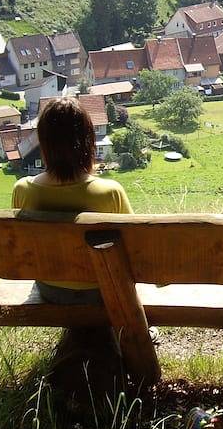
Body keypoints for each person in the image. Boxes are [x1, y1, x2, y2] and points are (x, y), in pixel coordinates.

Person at [12, 96, 133, 305]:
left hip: (51, 289)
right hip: (103, 288)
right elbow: (134, 250)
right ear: (87, 140)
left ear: (44, 142)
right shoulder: (110, 192)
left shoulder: (23, 190)